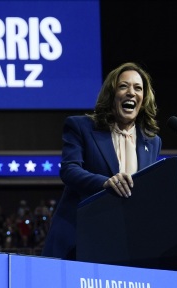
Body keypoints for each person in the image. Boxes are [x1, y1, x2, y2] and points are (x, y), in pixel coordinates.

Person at [41, 62, 162, 259]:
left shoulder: (152, 142)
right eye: (124, 86)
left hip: (124, 243)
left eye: (138, 88)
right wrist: (104, 182)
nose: (131, 92)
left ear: (144, 98)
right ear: (111, 93)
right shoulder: (81, 127)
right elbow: (69, 170)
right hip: (80, 239)